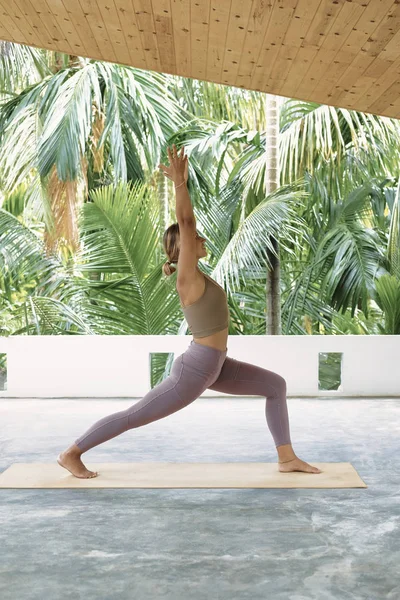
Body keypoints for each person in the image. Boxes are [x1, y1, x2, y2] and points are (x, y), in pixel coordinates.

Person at [57, 144, 321, 478]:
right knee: (134, 416)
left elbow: (184, 234)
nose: (202, 236)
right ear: (182, 247)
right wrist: (180, 183)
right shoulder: (188, 276)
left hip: (216, 365)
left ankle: (287, 458)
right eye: (195, 236)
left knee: (275, 385)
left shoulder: (194, 274)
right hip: (195, 371)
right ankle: (72, 452)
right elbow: (185, 219)